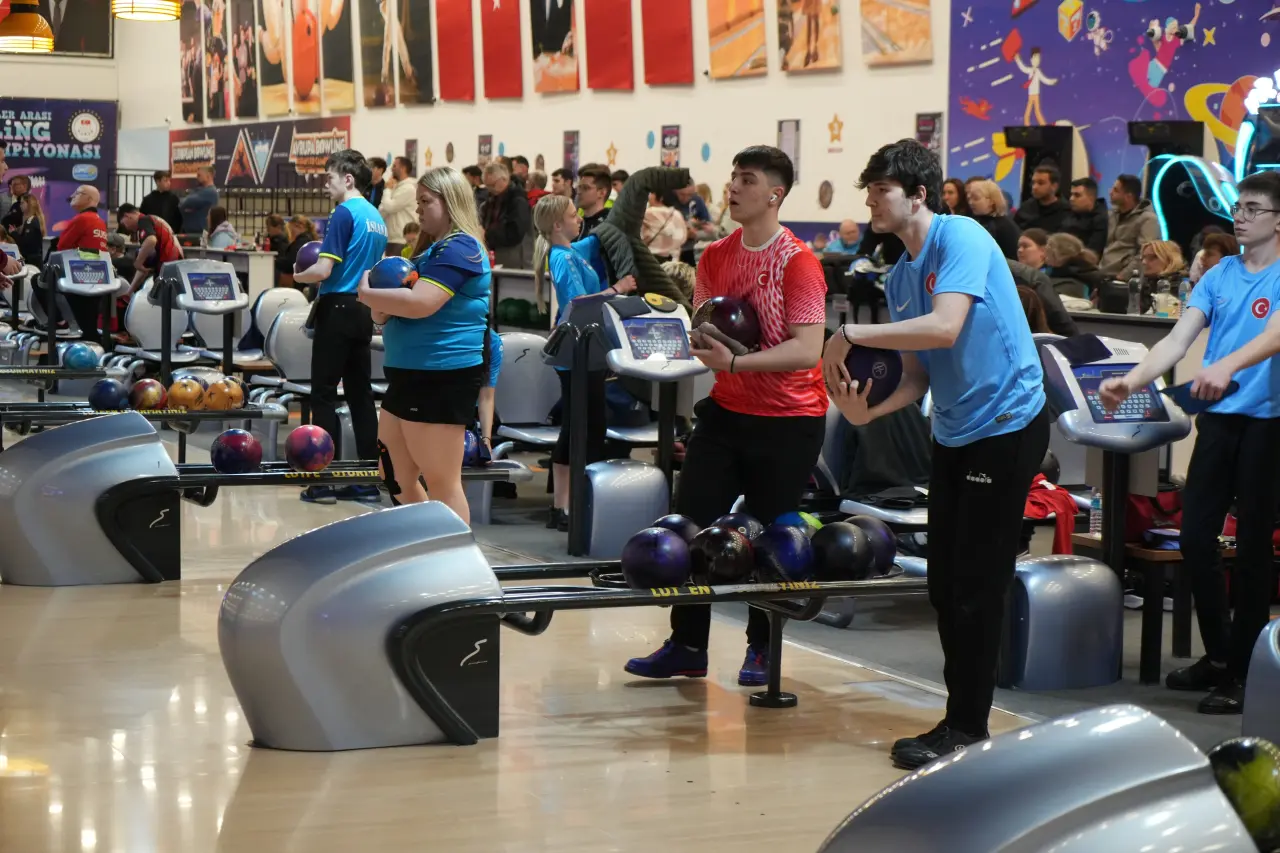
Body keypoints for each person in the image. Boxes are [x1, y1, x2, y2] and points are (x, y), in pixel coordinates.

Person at [823, 139, 1049, 769]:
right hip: (954, 430)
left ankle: (968, 728)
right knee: (945, 584)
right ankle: (960, 718)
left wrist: (850, 332)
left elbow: (946, 327)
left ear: (918, 194)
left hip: (1007, 425)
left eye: (881, 190)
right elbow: (921, 373)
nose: (871, 200)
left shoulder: (963, 237)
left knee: (975, 583)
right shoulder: (901, 274)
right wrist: (867, 413)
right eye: (869, 190)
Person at [624, 145, 828, 687]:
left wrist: (737, 361)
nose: (733, 187)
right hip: (727, 412)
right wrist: (699, 344)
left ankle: (763, 649)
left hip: (789, 420)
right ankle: (688, 645)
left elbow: (808, 350)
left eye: (748, 179)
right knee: (691, 526)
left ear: (775, 194)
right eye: (733, 177)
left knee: (769, 539)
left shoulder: (799, 263)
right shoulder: (714, 255)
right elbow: (707, 327)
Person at [1098, 171, 1280, 715]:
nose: (1240, 217)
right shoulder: (1219, 274)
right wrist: (1133, 380)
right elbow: (1178, 339)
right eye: (1239, 207)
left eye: (1253, 209)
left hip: (1268, 425)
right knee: (1196, 539)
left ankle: (1245, 671)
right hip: (1219, 421)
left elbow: (1275, 335)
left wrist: (1226, 365)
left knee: (1253, 549)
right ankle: (1220, 655)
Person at [357, 166, 491, 523]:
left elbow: (420, 304)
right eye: (417, 202)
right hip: (408, 374)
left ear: (451, 202)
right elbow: (384, 314)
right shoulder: (428, 251)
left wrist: (369, 294)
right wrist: (379, 303)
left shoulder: (462, 247)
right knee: (395, 475)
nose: (417, 210)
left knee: (442, 483)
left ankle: (454, 555)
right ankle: (424, 541)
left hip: (440, 376)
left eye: (425, 202)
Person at [531, 193, 637, 531]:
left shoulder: (573, 251)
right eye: (573, 215)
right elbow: (577, 301)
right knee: (576, 427)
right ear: (557, 225)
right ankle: (562, 506)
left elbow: (597, 237)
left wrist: (623, 214)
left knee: (592, 426)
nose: (579, 219)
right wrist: (617, 289)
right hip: (575, 351)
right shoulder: (561, 257)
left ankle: (580, 499)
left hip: (589, 349)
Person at [292, 150, 387, 504]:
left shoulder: (344, 213)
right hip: (363, 309)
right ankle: (367, 480)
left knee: (324, 395)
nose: (326, 184)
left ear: (347, 179)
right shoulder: (377, 217)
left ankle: (322, 483)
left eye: (329, 177)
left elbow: (324, 270)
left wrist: (297, 275)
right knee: (361, 396)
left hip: (337, 308)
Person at [1099, 174, 1160, 278]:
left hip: (1121, 278)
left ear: (1128, 196)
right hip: (1101, 273)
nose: (1110, 192)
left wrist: (1123, 276)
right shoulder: (1112, 214)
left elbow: (1144, 255)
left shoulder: (1148, 219)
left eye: (1116, 190)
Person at [116, 203, 184, 292]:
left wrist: (138, 262)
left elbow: (151, 240)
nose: (126, 228)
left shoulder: (144, 220)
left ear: (127, 216)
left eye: (123, 224)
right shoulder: (151, 222)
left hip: (169, 270)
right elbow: (143, 267)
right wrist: (129, 292)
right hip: (172, 269)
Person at [965, 179, 1021, 259]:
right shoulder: (972, 222)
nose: (971, 202)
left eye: (976, 198)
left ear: (991, 201)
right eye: (969, 199)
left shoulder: (1005, 226)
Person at [1013, 165, 1069, 234]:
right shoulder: (1025, 208)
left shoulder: (1066, 212)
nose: (1034, 187)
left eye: (1040, 183)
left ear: (1054, 186)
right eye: (1033, 183)